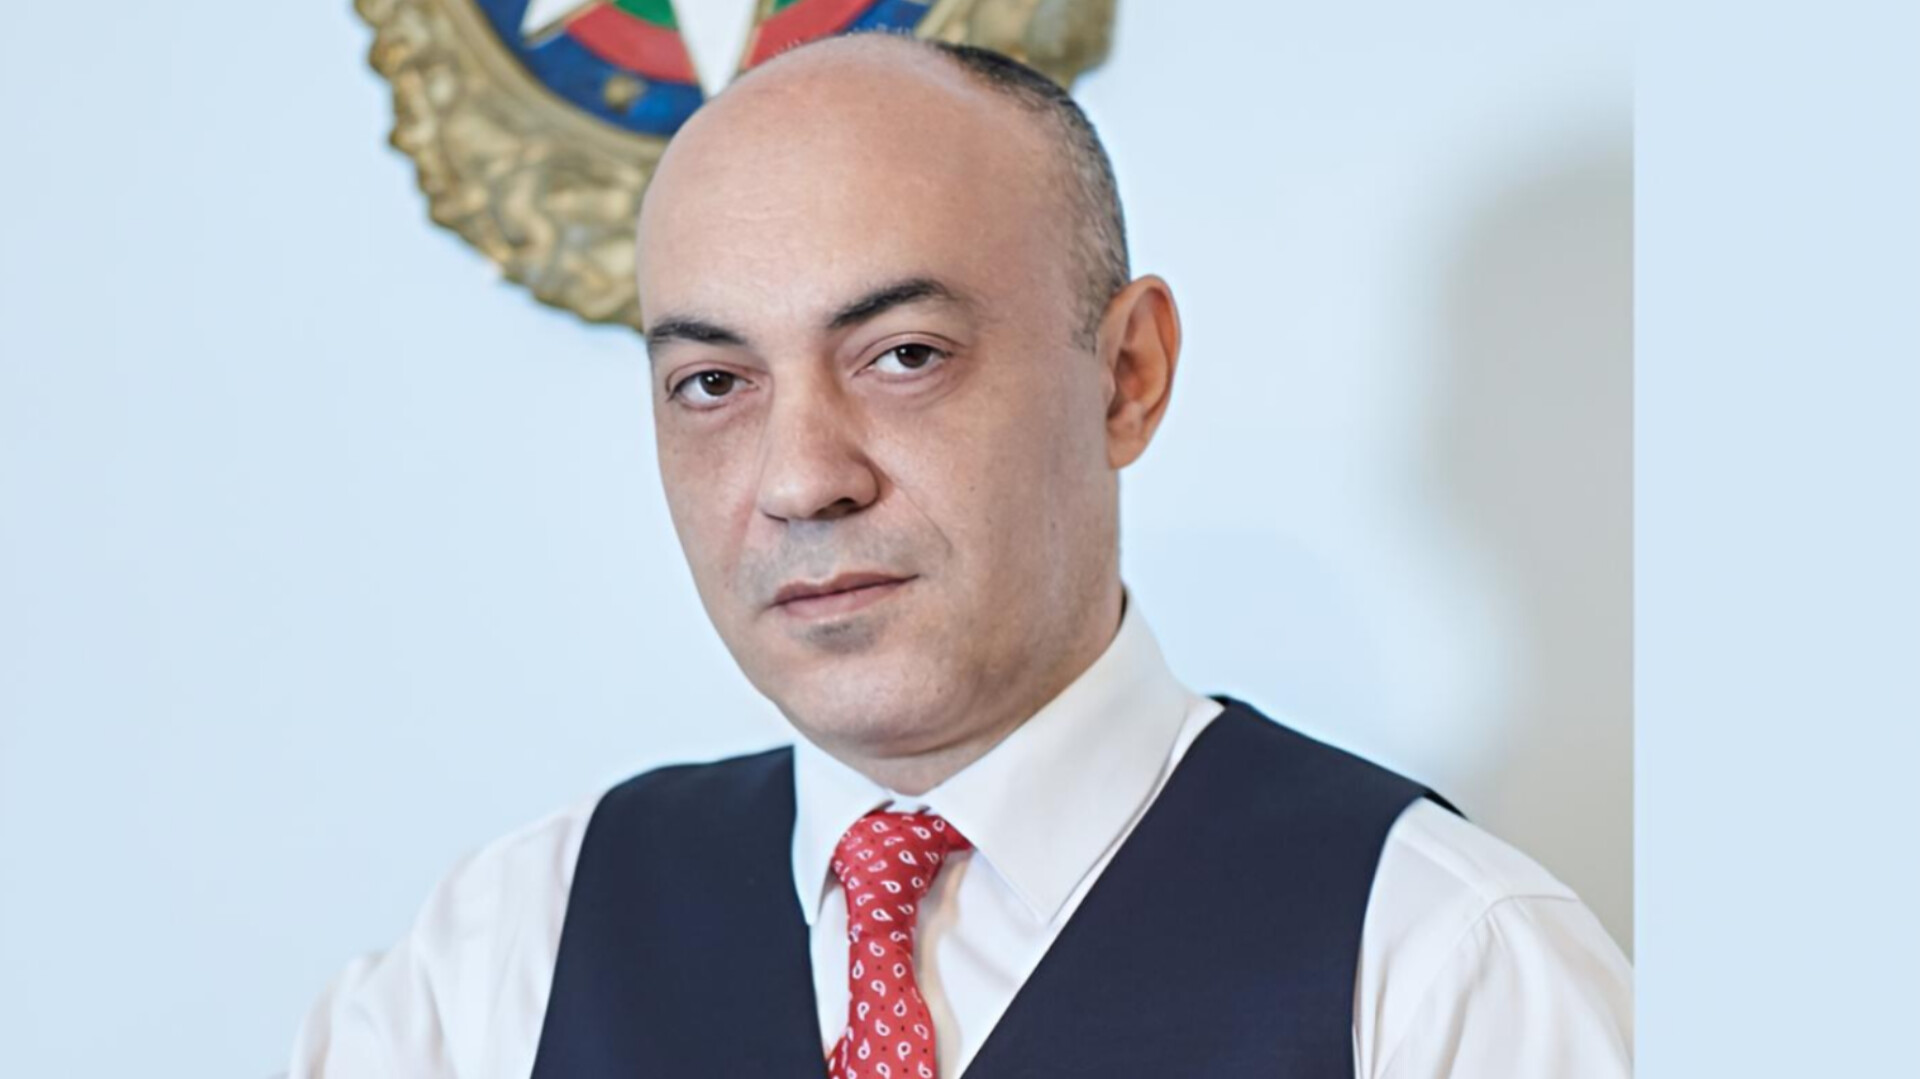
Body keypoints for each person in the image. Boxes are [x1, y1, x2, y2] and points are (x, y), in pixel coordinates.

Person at [289, 32, 1631, 1079]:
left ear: (1127, 375)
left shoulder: (1443, 968)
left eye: (904, 356)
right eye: (713, 383)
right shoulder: (504, 959)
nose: (802, 479)